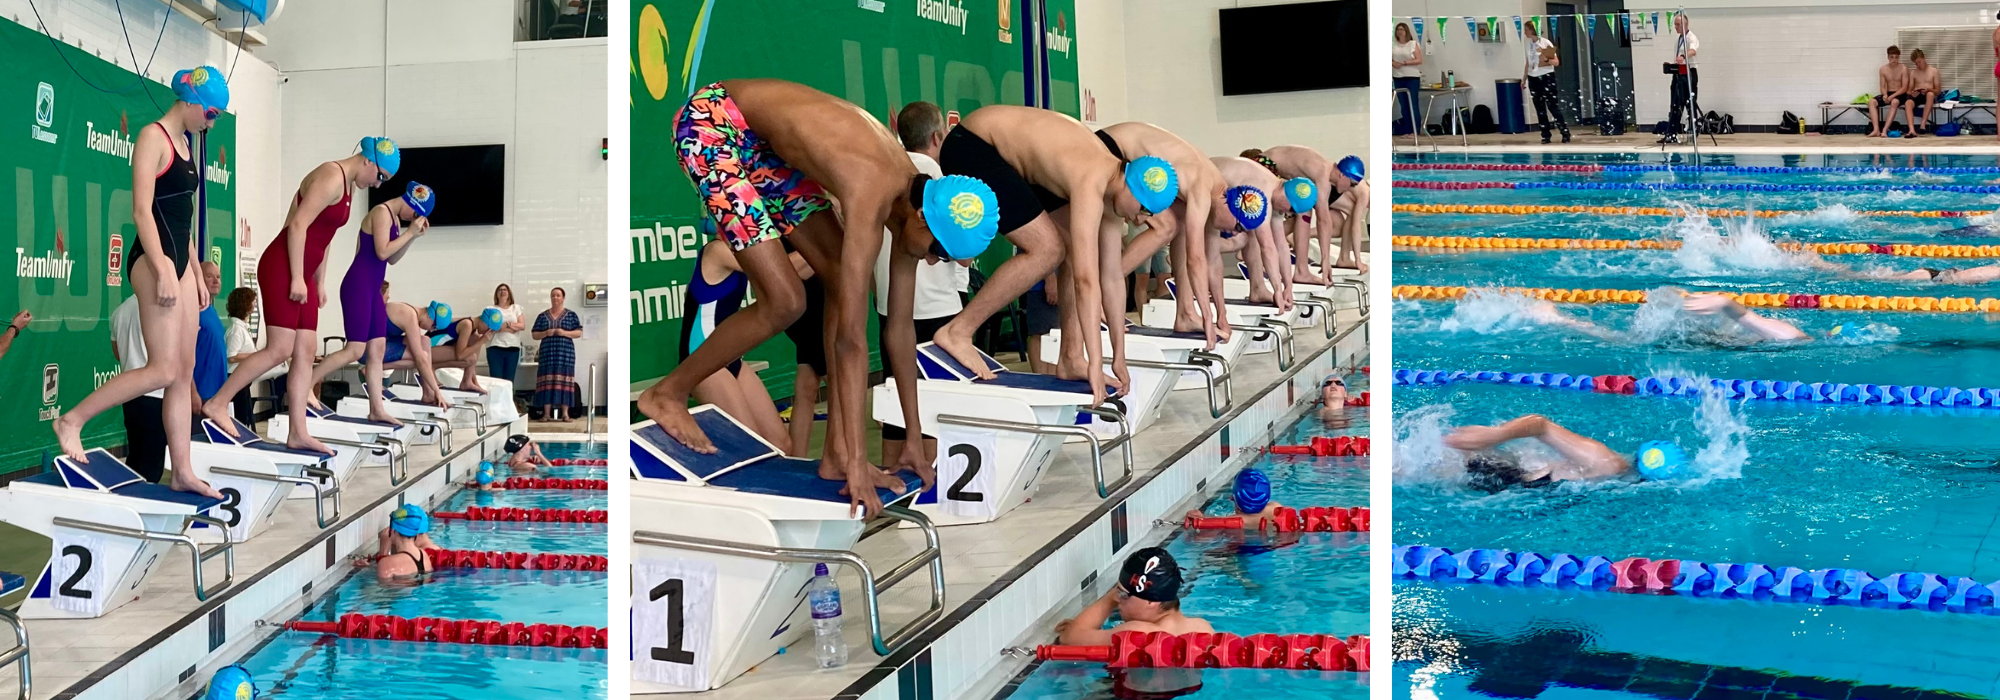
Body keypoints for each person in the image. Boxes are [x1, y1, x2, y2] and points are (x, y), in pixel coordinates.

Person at [637, 79, 1000, 517]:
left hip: (765, 148)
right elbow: (851, 339)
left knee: (833, 278)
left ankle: (834, 458)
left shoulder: (913, 211)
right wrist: (860, 465)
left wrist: (913, 440)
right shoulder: (874, 192)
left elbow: (899, 331)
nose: (930, 262)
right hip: (714, 125)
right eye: (938, 253)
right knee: (786, 300)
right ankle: (667, 394)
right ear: (925, 219)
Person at [55, 66, 228, 498]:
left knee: (182, 371)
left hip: (179, 262)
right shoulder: (153, 137)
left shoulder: (189, 142)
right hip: (150, 260)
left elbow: (182, 217)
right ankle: (71, 420)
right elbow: (142, 211)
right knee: (163, 368)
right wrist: (164, 267)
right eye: (210, 113)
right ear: (189, 101)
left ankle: (183, 470)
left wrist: (192, 267)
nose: (212, 122)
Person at [935, 105, 1179, 404]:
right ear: (1133, 187)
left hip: (1014, 161)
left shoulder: (1113, 189)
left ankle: (1071, 357)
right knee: (1047, 250)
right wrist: (1096, 363)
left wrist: (1118, 357)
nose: (1140, 220)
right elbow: (1086, 283)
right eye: (1143, 210)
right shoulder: (1091, 180)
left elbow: (1112, 279)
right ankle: (957, 331)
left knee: (1073, 251)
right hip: (973, 145)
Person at [201, 135, 402, 453]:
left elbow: (325, 237)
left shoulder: (348, 186)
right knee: (280, 349)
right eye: (380, 176)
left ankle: (298, 431)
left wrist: (318, 280)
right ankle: (217, 403)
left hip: (304, 273)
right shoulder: (331, 175)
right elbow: (297, 226)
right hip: (283, 266)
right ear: (368, 160)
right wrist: (297, 277)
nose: (378, 185)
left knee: (306, 351)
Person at [878, 100, 971, 463]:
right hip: (939, 310)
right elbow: (963, 254)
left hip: (889, 305)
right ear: (937, 136)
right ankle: (931, 490)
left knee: (894, 411)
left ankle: (893, 498)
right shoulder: (945, 185)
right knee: (939, 408)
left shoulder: (883, 175)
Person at [305, 182, 433, 425]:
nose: (412, 220)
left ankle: (377, 409)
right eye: (415, 215)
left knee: (377, 351)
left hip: (373, 290)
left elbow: (393, 259)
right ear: (412, 204)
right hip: (358, 286)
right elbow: (382, 251)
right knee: (355, 349)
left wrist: (412, 238)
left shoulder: (395, 221)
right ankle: (307, 385)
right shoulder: (381, 212)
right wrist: (410, 233)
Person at [1097, 122, 1222, 352]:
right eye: (1234, 227)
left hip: (1124, 147)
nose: (1232, 233)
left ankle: (1185, 311)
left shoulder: (1211, 182)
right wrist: (1209, 315)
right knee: (1166, 227)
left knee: (1178, 224)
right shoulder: (1202, 189)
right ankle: (1101, 291)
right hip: (1111, 148)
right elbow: (1196, 259)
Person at [680, 234, 791, 449]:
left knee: (781, 443)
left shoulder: (737, 252)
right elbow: (784, 272)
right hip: (703, 360)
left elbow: (796, 275)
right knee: (752, 444)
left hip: (731, 358)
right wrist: (835, 244)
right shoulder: (717, 251)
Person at [1441, 414, 1687, 490]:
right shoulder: (1609, 464)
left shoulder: (1614, 476)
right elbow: (1541, 425)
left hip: (1511, 481)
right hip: (1502, 475)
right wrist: (1495, 435)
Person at [1056, 547, 1212, 646]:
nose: (1117, 599)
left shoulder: (1135, 632)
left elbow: (1070, 638)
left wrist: (1108, 599)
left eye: (1122, 594)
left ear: (1151, 601)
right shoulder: (1202, 627)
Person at [533, 287, 583, 422]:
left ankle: (565, 414)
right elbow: (534, 334)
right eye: (553, 295)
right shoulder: (543, 316)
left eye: (558, 295)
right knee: (546, 381)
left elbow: (578, 332)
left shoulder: (571, 315)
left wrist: (565, 333)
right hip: (547, 353)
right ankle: (546, 414)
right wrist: (545, 333)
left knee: (565, 382)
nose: (555, 298)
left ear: (563, 298)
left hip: (565, 353)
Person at [1184, 468, 1287, 531]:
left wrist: (1199, 519)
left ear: (1233, 497)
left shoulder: (1229, 522)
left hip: (1241, 551)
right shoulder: (1276, 508)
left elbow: (1199, 538)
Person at [1523, 22, 1571, 145]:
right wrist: (1524, 79)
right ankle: (1545, 135)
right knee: (1539, 108)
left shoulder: (1545, 43)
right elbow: (1528, 63)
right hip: (1533, 77)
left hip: (1546, 77)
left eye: (1526, 29)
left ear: (1532, 30)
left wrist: (1546, 59)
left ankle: (1565, 132)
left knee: (1552, 107)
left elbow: (1556, 62)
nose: (1524, 32)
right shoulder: (1528, 44)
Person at [1661, 13, 1699, 144]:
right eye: (1675, 24)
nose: (1676, 27)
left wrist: (1683, 56)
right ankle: (1672, 134)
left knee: (1690, 104)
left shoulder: (1691, 37)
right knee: (1675, 104)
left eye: (1678, 24)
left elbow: (1693, 51)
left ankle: (1692, 133)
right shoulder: (1679, 39)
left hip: (1689, 73)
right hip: (1679, 73)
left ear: (1685, 24)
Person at [223, 287, 258, 425]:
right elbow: (231, 356)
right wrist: (255, 356)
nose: (254, 305)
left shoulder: (242, 326)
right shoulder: (236, 329)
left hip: (244, 377)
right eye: (252, 301)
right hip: (235, 376)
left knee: (246, 415)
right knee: (241, 416)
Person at [373, 503, 435, 580]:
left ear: (392, 530)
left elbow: (383, 589)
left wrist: (383, 551)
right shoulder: (424, 556)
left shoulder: (386, 563)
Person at [1869, 46, 1914, 138]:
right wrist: (1885, 95)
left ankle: (1885, 130)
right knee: (1871, 102)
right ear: (1888, 57)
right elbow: (1882, 86)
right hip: (1888, 93)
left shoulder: (1903, 68)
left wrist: (1892, 96)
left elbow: (1904, 87)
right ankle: (1876, 129)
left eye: (1896, 57)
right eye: (1892, 57)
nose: (1894, 60)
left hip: (1900, 94)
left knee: (1894, 102)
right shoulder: (1883, 69)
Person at [487, 284, 527, 383]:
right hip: (495, 348)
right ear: (496, 294)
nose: (502, 291)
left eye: (505, 290)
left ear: (509, 293)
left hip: (512, 349)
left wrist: (506, 325)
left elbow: (522, 326)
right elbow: (490, 327)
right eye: (500, 290)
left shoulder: (516, 308)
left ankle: (508, 399)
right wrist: (512, 328)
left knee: (509, 381)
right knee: (496, 380)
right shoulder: (491, 309)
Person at [1392, 23, 1424, 136]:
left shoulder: (1413, 44)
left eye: (1402, 29)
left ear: (1406, 31)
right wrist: (1393, 63)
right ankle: (1407, 129)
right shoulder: (1393, 45)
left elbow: (1419, 60)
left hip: (1412, 77)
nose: (1400, 32)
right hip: (1398, 77)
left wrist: (1404, 63)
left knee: (1413, 104)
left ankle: (1415, 130)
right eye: (1398, 30)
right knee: (1404, 105)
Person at [1909, 49, 1942, 134]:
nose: (1918, 65)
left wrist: (1929, 89)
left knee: (1930, 94)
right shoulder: (1913, 72)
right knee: (1908, 103)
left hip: (1928, 94)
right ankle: (1911, 129)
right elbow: (1908, 91)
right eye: (1916, 63)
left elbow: (1938, 91)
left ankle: (1923, 125)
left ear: (1924, 58)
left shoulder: (1933, 71)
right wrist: (1913, 93)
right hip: (1917, 95)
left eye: (1919, 62)